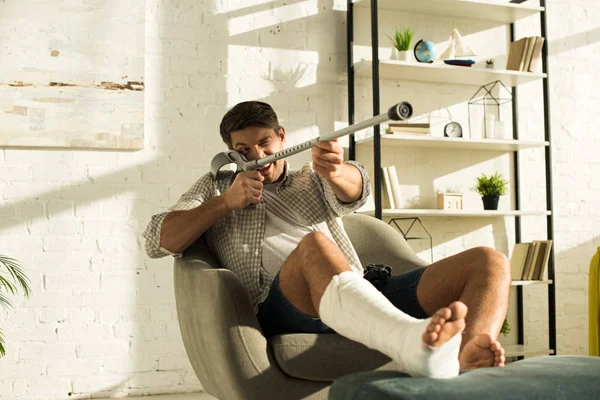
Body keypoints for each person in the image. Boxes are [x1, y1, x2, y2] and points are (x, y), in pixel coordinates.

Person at [143, 101, 509, 378]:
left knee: (489, 261)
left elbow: (357, 189)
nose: (257, 157)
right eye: (243, 150)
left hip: (360, 292)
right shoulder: (217, 185)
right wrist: (225, 203)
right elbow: (158, 240)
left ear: (282, 136)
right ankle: (406, 341)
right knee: (314, 246)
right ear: (230, 151)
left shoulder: (311, 178)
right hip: (285, 306)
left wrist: (336, 169)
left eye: (264, 143)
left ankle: (465, 362)